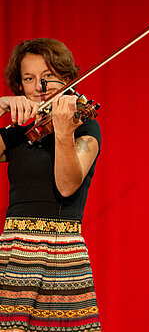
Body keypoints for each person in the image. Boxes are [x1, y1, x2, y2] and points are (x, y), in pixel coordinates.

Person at [0, 38, 101, 331]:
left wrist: (63, 132)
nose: (38, 88)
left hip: (63, 254)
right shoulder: (18, 133)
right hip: (15, 251)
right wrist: (2, 105)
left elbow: (68, 185)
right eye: (28, 79)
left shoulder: (85, 127)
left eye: (47, 78)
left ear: (68, 79)